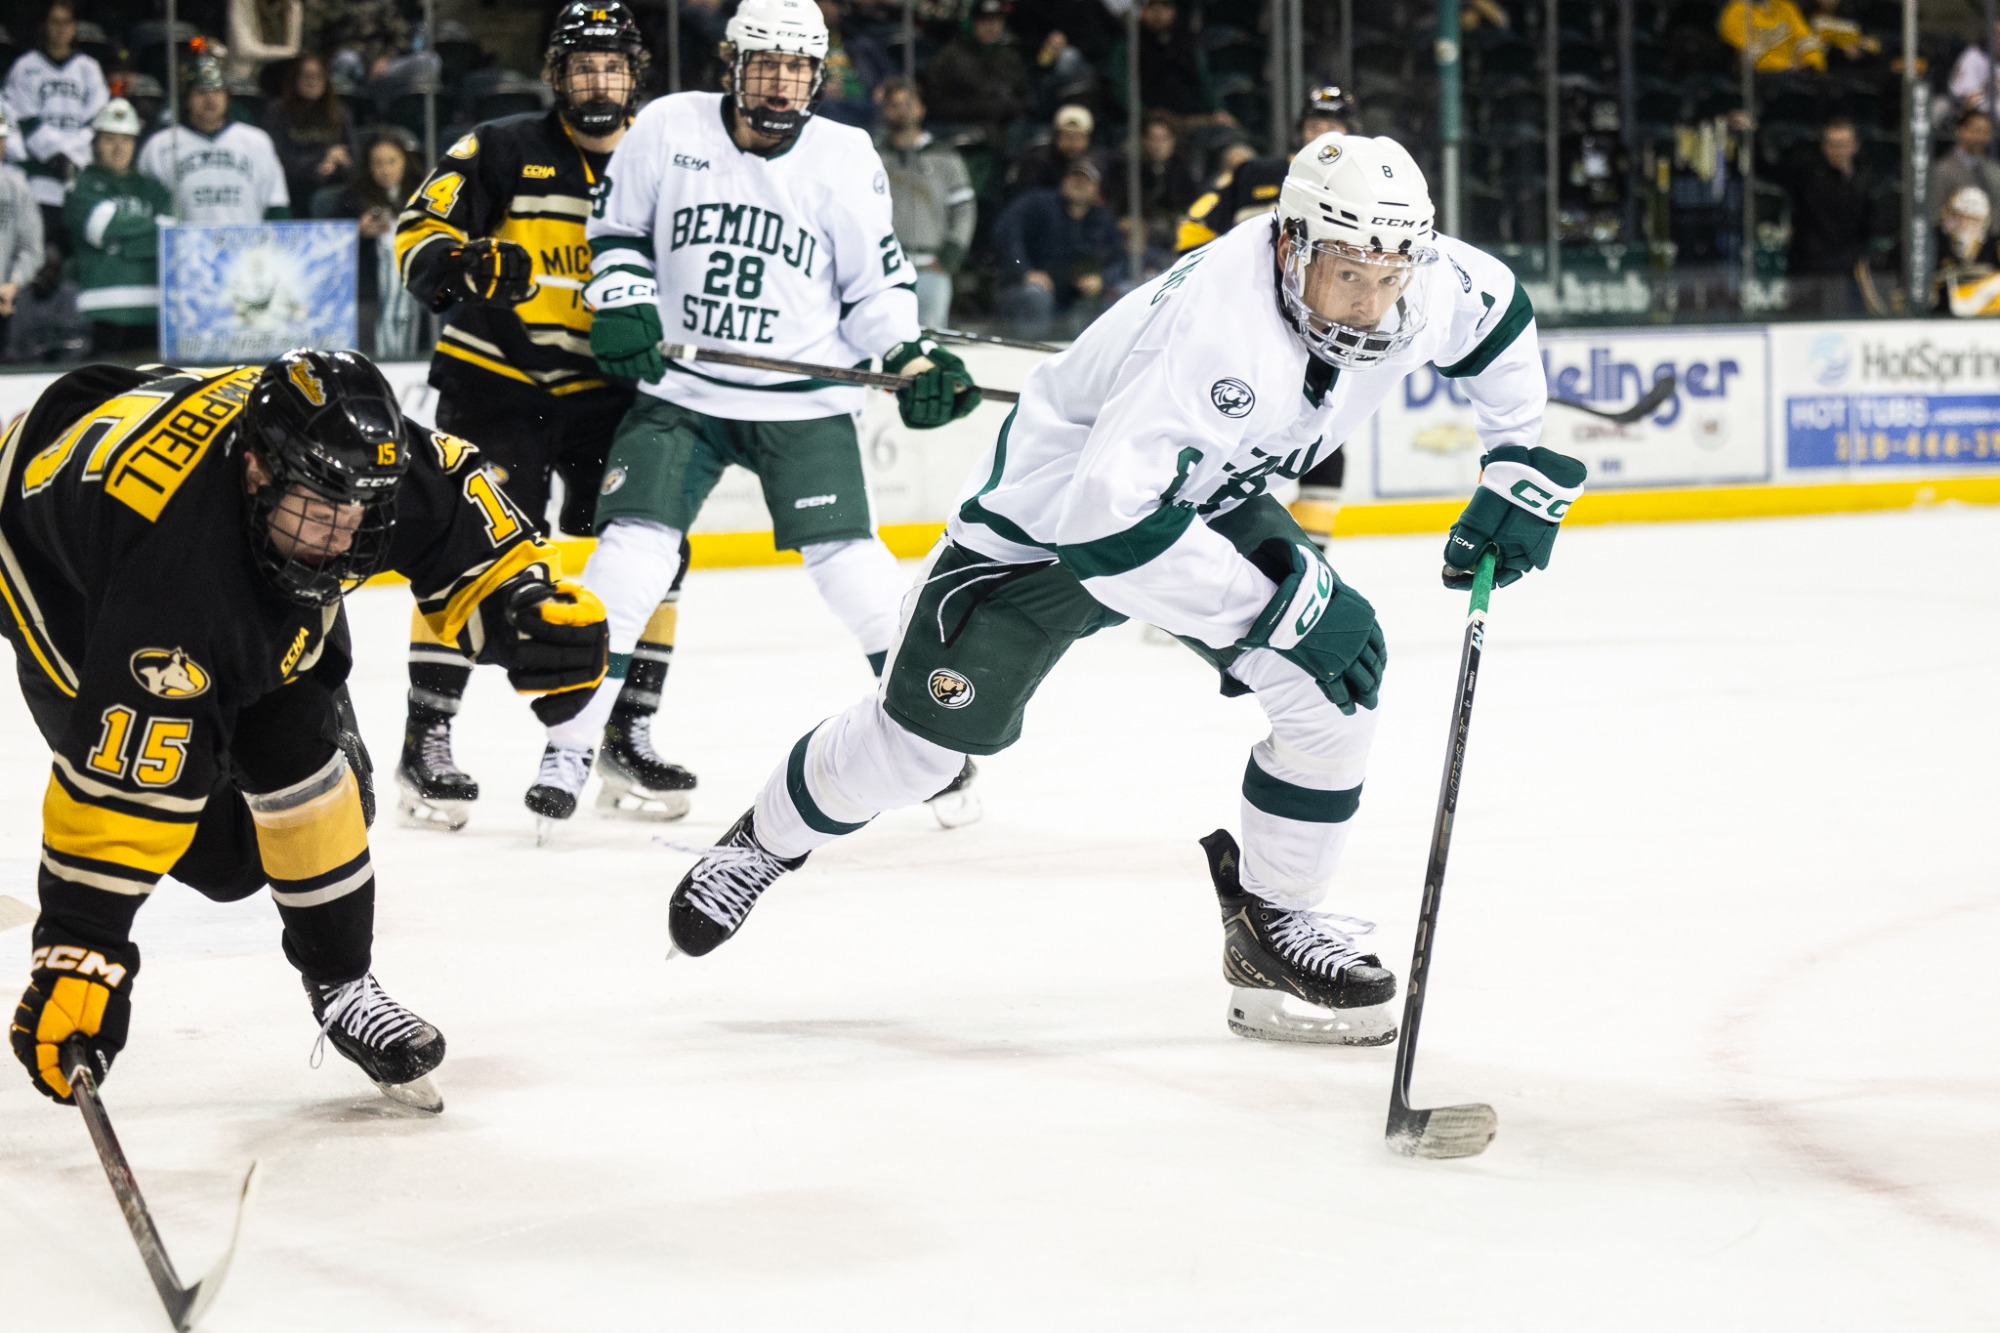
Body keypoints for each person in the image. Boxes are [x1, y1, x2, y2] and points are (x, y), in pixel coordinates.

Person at [662, 133, 1585, 1047]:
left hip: (1204, 500)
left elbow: (1496, 313)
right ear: (1288, 242)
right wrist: (1285, 611)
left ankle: (1272, 925)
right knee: (917, 755)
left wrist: (1514, 459)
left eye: (1389, 280)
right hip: (1045, 537)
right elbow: (1106, 529)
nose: (1370, 306)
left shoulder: (1403, 276)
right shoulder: (1221, 337)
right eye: (1347, 276)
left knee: (1335, 686)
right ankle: (762, 840)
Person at [2, 349, 610, 1112]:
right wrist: (81, 949)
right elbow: (125, 789)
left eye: (357, 514)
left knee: (298, 756)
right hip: (68, 582)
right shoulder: (176, 575)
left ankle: (345, 985)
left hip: (159, 454)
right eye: (319, 512)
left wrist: (519, 600)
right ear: (255, 470)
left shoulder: (342, 465)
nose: (340, 537)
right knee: (225, 865)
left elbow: (455, 496)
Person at [559, 0, 985, 832]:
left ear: (818, 75)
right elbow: (618, 233)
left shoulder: (844, 155)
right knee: (631, 554)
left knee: (854, 569)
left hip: (800, 403)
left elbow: (875, 289)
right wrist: (618, 299)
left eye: (798, 68)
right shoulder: (670, 127)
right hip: (684, 392)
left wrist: (910, 357)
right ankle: (569, 745)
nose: (782, 82)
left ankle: (932, 743)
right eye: (766, 64)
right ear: (733, 63)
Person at [392, 2, 694, 831]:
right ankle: (428, 736)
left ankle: (628, 729)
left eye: (614, 66)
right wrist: (467, 261)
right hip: (500, 382)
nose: (599, 80)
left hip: (612, 393)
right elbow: (418, 231)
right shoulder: (498, 145)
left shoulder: (665, 160)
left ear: (637, 77)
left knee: (657, 547)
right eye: (583, 65)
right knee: (465, 547)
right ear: (557, 76)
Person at [1178, 87, 1357, 548]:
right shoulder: (1259, 174)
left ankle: (1315, 553)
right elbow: (1195, 228)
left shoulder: (1365, 189)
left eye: (1333, 126)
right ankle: (1197, 540)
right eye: (1314, 125)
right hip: (1248, 328)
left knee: (1322, 434)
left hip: (1322, 330)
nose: (1322, 134)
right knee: (1231, 425)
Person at [63, 97, 167, 358]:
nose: (119, 148)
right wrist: (150, 230)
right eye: (110, 139)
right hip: (101, 314)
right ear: (96, 144)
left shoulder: (154, 189)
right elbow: (99, 229)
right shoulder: (82, 187)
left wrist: (119, 241)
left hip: (153, 312)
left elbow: (169, 238)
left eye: (126, 140)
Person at [1, 0, 109, 240]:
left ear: (74, 28)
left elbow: (96, 119)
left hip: (80, 175)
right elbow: (24, 119)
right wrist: (54, 154)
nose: (61, 29)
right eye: (55, 22)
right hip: (39, 180)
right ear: (45, 26)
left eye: (66, 23)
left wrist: (70, 154)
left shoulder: (88, 68)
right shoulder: (25, 67)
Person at [874, 77, 975, 329]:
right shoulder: (874, 155)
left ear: (921, 108)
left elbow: (964, 209)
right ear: (885, 110)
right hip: (884, 268)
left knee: (932, 341)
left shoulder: (946, 157)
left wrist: (952, 253)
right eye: (894, 105)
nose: (902, 110)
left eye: (908, 103)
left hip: (932, 267)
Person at [140, 57, 290, 224]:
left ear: (227, 97)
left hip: (246, 245)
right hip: (185, 246)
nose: (210, 99)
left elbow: (276, 202)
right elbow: (146, 207)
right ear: (187, 98)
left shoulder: (257, 141)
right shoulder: (160, 145)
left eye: (217, 91)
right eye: (201, 92)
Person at [991, 156, 1120, 323]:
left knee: (1112, 298)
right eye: (1074, 178)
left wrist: (1102, 279)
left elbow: (1120, 258)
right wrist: (1026, 271)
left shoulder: (1103, 219)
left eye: (1086, 180)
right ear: (1064, 181)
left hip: (1076, 297)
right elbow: (1005, 234)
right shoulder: (1037, 204)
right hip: (1027, 289)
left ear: (1097, 189)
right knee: (1035, 296)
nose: (1079, 184)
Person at [328, 126, 421, 357]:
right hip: (369, 290)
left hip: (415, 290)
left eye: (392, 162)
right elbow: (331, 240)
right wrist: (358, 233)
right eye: (378, 163)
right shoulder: (353, 197)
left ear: (405, 162)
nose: (385, 170)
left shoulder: (424, 195)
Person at [1777, 116, 1882, 317]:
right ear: (1824, 147)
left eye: (1842, 144)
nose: (1837, 150)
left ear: (1854, 146)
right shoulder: (1809, 177)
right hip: (1809, 273)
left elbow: (1870, 227)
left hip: (1847, 273)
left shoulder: (1867, 183)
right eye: (1832, 144)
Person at [921, 0, 1031, 153]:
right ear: (972, 23)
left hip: (1006, 125)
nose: (991, 27)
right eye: (984, 21)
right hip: (963, 125)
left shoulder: (1009, 56)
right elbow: (936, 105)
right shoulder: (949, 58)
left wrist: (1008, 106)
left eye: (996, 21)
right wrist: (983, 108)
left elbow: (1025, 97)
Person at [264, 52, 359, 219]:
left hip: (334, 185)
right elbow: (278, 160)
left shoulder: (340, 112)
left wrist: (334, 165)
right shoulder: (277, 112)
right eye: (306, 75)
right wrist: (320, 162)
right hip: (294, 189)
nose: (312, 81)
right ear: (294, 79)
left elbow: (353, 157)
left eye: (318, 76)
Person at [1105, 0, 1227, 125]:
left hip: (1188, 117)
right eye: (1152, 6)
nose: (1158, 13)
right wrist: (1145, 113)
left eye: (1165, 6)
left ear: (1174, 11)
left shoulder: (1185, 41)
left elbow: (1203, 77)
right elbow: (1121, 89)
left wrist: (1218, 109)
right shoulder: (1129, 44)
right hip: (1146, 122)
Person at [1927, 109, 2000, 233]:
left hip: (1990, 245)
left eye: (1985, 132)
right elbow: (1934, 215)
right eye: (1976, 131)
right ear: (1961, 130)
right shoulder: (1942, 170)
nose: (1980, 138)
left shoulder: (1995, 171)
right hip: (1951, 244)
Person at [1008, 103, 1101, 198]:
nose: (1072, 143)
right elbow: (1030, 199)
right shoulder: (1038, 159)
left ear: (1088, 139)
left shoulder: (1095, 161)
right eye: (1068, 136)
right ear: (1056, 136)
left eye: (1078, 138)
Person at [1932, 186, 2000, 315]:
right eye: (1959, 217)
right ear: (1947, 216)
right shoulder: (1932, 242)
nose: (1964, 225)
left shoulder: (1994, 247)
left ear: (1984, 222)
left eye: (1972, 219)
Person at [1718, 0, 1826, 73]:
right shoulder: (1734, 13)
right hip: (1764, 76)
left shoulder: (1785, 7)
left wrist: (1812, 63)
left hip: (1796, 72)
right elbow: (1751, 56)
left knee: (1833, 86)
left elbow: (1806, 41)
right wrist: (1788, 67)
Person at [227, 0, 305, 82]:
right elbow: (244, 51)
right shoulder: (242, 2)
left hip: (283, 76)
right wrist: (288, 53)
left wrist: (290, 53)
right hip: (246, 78)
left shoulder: (293, 4)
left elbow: (294, 48)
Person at [1948, 20, 2000, 112]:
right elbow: (1969, 102)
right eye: (1996, 35)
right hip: (1977, 116)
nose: (1998, 40)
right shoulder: (1973, 57)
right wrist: (1990, 87)